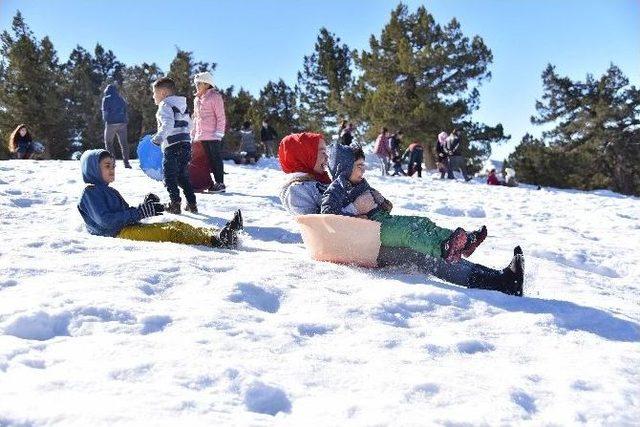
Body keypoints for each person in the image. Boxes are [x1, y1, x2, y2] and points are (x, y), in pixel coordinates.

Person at [277, 132, 524, 296]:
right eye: (320, 152)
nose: (326, 156)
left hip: (363, 237)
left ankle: (499, 279)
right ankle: (500, 283)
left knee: (424, 242)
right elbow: (319, 224)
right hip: (350, 247)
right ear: (304, 155)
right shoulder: (297, 189)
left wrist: (371, 202)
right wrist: (356, 209)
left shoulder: (326, 180)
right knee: (419, 253)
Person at [321, 143, 487, 262]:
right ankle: (442, 250)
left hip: (382, 220)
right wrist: (354, 209)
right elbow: (327, 216)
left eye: (363, 165)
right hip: (369, 231)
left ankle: (464, 242)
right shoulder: (336, 188)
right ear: (344, 167)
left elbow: (383, 208)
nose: (363, 169)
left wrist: (382, 202)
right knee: (409, 233)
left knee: (422, 222)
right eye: (359, 165)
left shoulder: (361, 183)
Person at [77, 149, 242, 248]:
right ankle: (215, 240)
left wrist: (145, 206)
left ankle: (220, 234)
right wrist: (142, 212)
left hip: (126, 228)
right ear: (92, 168)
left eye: (113, 166)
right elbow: (106, 221)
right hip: (117, 234)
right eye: (107, 166)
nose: (112, 169)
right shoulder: (90, 193)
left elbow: (125, 213)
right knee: (170, 232)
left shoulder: (109, 191)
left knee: (176, 224)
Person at [151, 77, 197, 214]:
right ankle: (192, 203)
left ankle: (175, 204)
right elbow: (191, 125)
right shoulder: (182, 106)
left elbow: (168, 125)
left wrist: (158, 138)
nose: (153, 96)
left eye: (155, 93)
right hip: (185, 145)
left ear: (164, 93)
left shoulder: (165, 105)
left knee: (169, 176)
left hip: (172, 146)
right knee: (182, 175)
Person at [192, 71, 227, 193]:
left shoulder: (214, 97)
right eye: (196, 84)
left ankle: (220, 183)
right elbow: (196, 118)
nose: (197, 86)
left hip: (213, 135)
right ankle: (206, 182)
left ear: (207, 84)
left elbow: (221, 116)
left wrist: (219, 133)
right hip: (201, 136)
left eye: (199, 83)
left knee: (215, 159)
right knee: (204, 160)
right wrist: (193, 134)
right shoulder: (196, 99)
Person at [101, 84, 131, 168]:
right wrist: (125, 120)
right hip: (122, 123)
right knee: (124, 143)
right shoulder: (121, 98)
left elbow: (105, 112)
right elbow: (125, 110)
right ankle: (126, 163)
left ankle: (112, 162)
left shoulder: (106, 99)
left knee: (108, 142)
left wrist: (106, 121)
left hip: (111, 123)